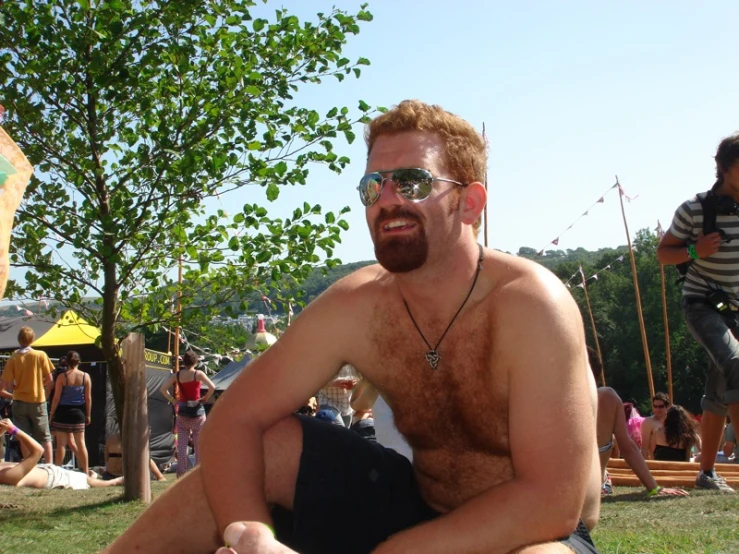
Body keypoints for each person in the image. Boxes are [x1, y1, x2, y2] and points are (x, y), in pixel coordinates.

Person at [106, 100, 601, 554]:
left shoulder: (530, 305)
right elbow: (235, 419)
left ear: (469, 203)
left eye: (412, 182)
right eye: (373, 186)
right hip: (413, 504)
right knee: (270, 444)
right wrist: (249, 532)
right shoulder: (359, 304)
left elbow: (551, 502)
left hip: (534, 531)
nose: (386, 200)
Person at [657, 132, 739, 492]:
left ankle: (707, 474)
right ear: (724, 168)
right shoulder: (695, 209)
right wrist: (694, 250)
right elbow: (663, 253)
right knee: (735, 363)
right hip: (702, 303)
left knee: (720, 388)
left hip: (736, 307)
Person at [587, 348, 687, 511]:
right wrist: (654, 488)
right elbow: (628, 447)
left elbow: (628, 447)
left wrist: (655, 488)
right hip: (594, 487)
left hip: (572, 488)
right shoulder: (609, 398)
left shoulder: (603, 398)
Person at [0, 418, 122, 489]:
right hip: (56, 478)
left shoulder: (3, 468)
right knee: (92, 482)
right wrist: (13, 429)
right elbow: (38, 451)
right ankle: (117, 481)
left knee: (87, 477)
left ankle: (92, 474)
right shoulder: (7, 476)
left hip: (47, 470)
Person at [0, 326, 54, 464]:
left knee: (23, 436)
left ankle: (29, 465)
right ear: (33, 339)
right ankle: (49, 466)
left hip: (19, 400)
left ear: (19, 339)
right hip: (37, 400)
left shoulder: (14, 357)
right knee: (45, 437)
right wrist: (38, 383)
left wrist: (15, 386)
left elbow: (6, 383)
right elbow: (49, 379)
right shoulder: (40, 355)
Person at [159, 350, 216, 478]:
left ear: (183, 362)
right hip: (197, 413)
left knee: (182, 446)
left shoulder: (177, 375)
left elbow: (162, 389)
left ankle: (181, 474)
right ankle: (198, 474)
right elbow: (212, 387)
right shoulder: (198, 374)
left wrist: (173, 400)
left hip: (183, 412)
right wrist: (205, 398)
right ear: (195, 361)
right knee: (199, 445)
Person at [49, 351, 91, 474]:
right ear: (79, 362)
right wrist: (88, 414)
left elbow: (56, 398)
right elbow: (88, 398)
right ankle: (86, 471)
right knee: (81, 443)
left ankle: (57, 472)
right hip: (78, 413)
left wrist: (52, 414)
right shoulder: (85, 376)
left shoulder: (62, 377)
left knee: (61, 445)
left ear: (67, 361)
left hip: (62, 413)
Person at [99, 433, 166, 481]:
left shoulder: (111, 438)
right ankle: (159, 476)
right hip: (129, 478)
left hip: (110, 476)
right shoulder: (135, 440)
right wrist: (160, 476)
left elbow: (106, 459)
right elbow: (147, 460)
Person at [640, 392, 671, 460]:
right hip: (656, 461)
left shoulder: (673, 422)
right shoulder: (648, 422)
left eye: (660, 406)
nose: (657, 409)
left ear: (667, 407)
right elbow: (644, 448)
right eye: (655, 406)